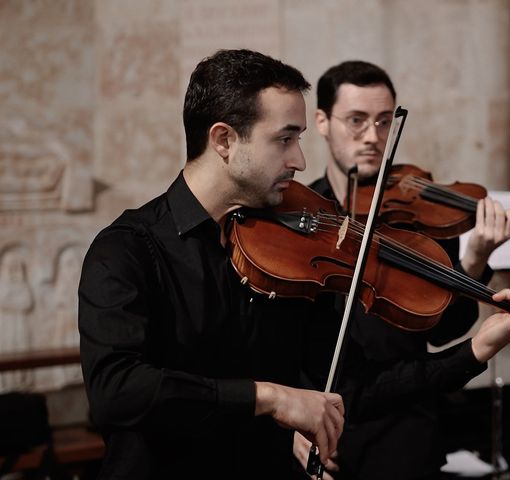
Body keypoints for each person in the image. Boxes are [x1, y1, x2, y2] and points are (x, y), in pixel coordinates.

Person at [78, 49, 345, 480]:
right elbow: (117, 391)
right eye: (284, 139)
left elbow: (343, 378)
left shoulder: (283, 255)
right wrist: (268, 397)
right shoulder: (126, 251)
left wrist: (471, 351)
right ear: (223, 140)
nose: (300, 161)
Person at [292, 60, 510, 479]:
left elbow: (440, 329)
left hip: (405, 414)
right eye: (356, 121)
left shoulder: (418, 218)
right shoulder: (302, 215)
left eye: (385, 122)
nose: (373, 137)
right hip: (321, 416)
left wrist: (472, 262)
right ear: (322, 122)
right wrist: (293, 421)